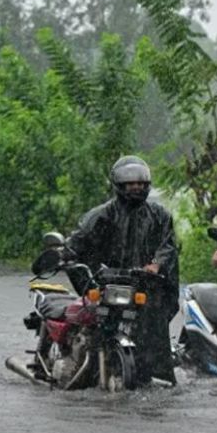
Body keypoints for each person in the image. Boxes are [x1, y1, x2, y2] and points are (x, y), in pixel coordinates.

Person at [65, 155, 179, 385]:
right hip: (107, 282)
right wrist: (65, 255)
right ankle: (82, 364)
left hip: (144, 284)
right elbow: (77, 243)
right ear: (119, 185)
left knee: (154, 328)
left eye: (140, 183)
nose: (136, 187)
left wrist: (156, 264)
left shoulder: (160, 215)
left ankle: (156, 376)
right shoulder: (101, 215)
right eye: (130, 183)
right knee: (95, 320)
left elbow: (168, 246)